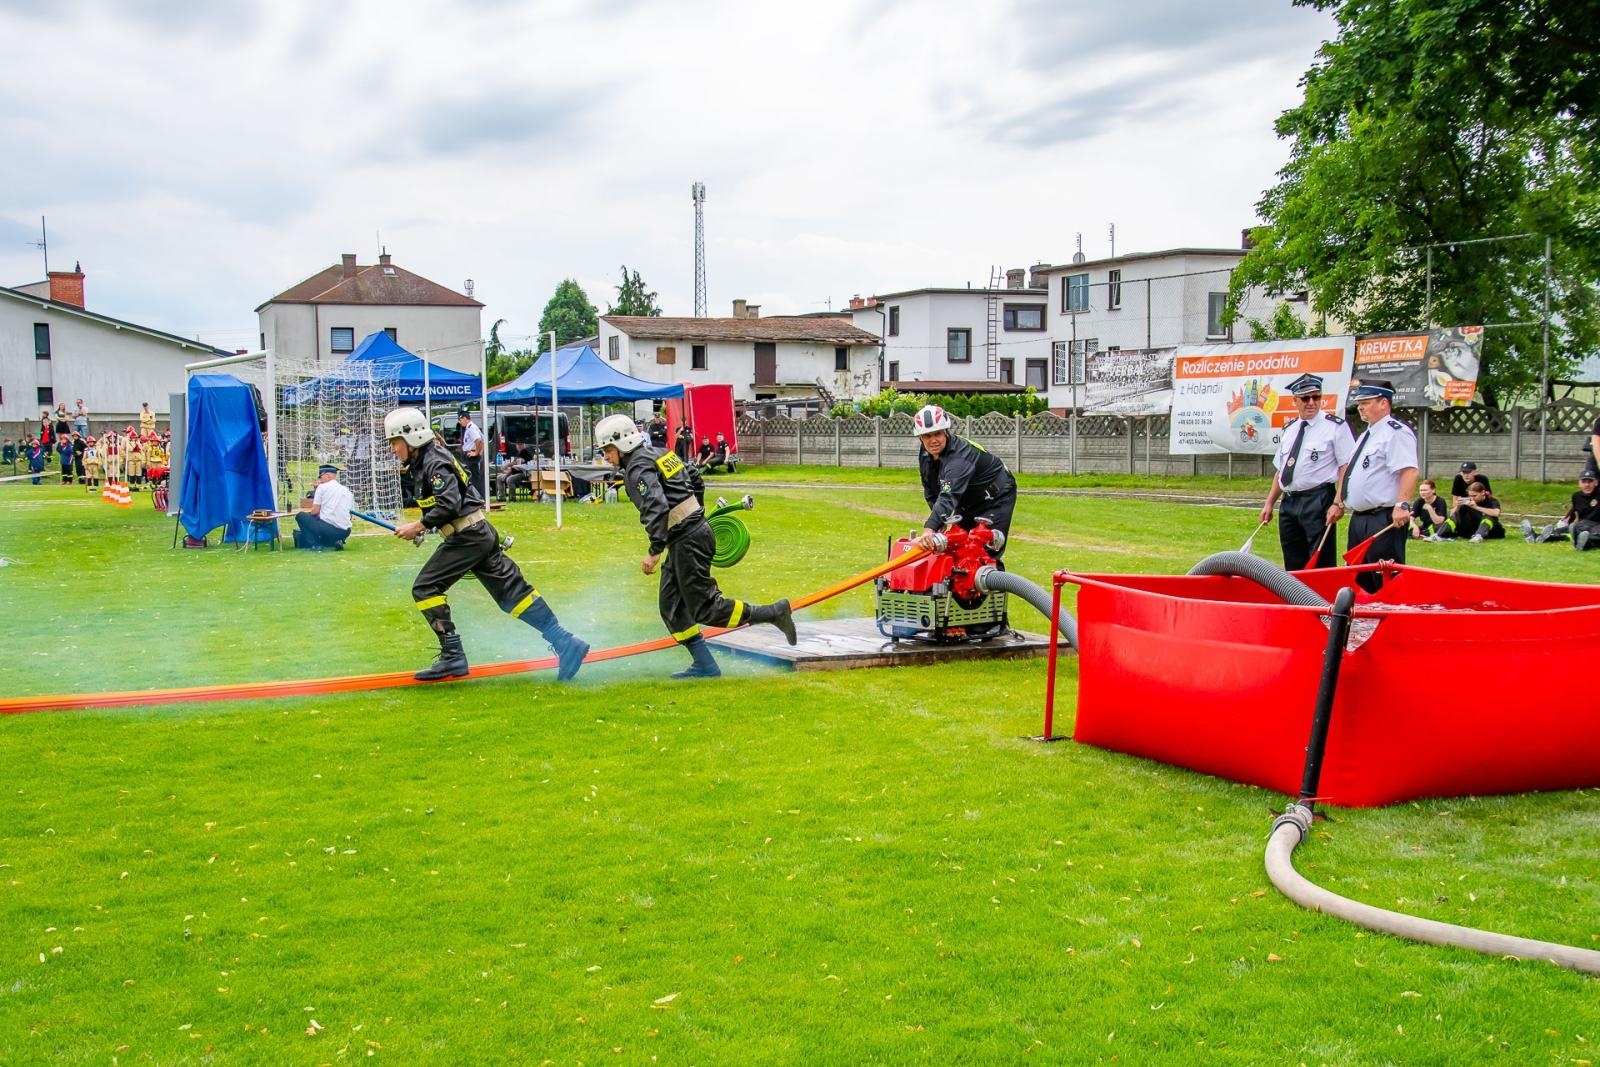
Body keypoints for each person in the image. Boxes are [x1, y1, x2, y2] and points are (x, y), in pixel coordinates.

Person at [385, 406, 589, 682]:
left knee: (425, 588)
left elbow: (449, 503)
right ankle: (565, 642)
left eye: (394, 442)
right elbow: (451, 504)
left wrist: (419, 525)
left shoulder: (433, 462)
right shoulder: (431, 458)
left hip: (468, 538)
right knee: (515, 596)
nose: (393, 449)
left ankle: (452, 656)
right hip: (477, 533)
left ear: (412, 438)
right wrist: (426, 527)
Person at [594, 413, 795, 680]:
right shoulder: (661, 452)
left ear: (623, 444)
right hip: (691, 533)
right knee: (672, 606)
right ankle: (705, 665)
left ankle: (773, 612)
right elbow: (694, 476)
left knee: (705, 608)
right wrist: (696, 512)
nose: (606, 456)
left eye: (608, 450)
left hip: (686, 539)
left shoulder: (638, 468)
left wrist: (654, 551)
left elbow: (656, 506)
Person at [1258, 373, 1353, 570]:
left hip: (1318, 499)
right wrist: (1269, 503)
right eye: (1305, 398)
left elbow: (1346, 466)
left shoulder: (1335, 427)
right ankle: (1296, 599)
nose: (1311, 403)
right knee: (1293, 561)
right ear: (1295, 401)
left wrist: (1338, 502)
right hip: (1289, 501)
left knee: (1320, 561)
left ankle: (1320, 600)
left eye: (1316, 397)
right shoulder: (1290, 429)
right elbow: (1281, 470)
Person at [1335, 379, 1418, 593]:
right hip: (1360, 518)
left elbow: (1409, 470)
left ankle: (1391, 618)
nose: (1361, 407)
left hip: (1382, 517)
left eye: (1366, 402)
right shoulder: (1367, 435)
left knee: (1384, 577)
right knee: (1359, 577)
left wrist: (1402, 504)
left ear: (1383, 403)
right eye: (1360, 403)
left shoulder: (1395, 432)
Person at [910, 404, 1017, 562]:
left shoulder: (958, 459)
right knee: (955, 547)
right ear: (920, 438)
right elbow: (931, 489)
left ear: (946, 432)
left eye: (937, 434)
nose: (933, 440)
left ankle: (994, 583)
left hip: (996, 497)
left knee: (983, 553)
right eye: (927, 436)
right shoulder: (926, 453)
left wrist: (929, 528)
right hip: (966, 499)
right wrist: (940, 522)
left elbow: (948, 495)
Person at [1523, 471, 1600, 550]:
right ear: (1579, 484)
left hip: (1596, 526)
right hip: (1581, 525)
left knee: (1593, 534)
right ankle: (1535, 537)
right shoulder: (1576, 496)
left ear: (1596, 483)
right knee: (1562, 531)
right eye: (1584, 482)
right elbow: (1574, 511)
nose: (1587, 485)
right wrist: (1566, 522)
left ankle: (1583, 543)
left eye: (1590, 482)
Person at [294, 464, 354, 550]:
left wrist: (311, 514)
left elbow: (315, 511)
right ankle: (336, 541)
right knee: (324, 525)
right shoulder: (346, 490)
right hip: (346, 531)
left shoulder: (322, 488)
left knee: (301, 516)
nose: (320, 480)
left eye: (321, 477)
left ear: (327, 476)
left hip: (328, 529)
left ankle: (315, 544)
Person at [1439, 481, 1504, 542]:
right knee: (1456, 515)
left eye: (1474, 496)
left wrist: (1476, 507)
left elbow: (1496, 513)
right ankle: (1438, 535)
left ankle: (1478, 536)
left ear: (1482, 492)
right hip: (1470, 529)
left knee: (1489, 516)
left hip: (1490, 531)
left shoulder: (1491, 501)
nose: (1472, 498)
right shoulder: (1467, 501)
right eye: (1470, 496)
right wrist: (1458, 506)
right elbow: (1452, 515)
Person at [457, 410, 485, 491]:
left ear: (465, 418)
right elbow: (482, 441)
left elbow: (478, 440)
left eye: (460, 419)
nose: (460, 422)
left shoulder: (471, 427)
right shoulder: (471, 427)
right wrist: (480, 452)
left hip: (471, 456)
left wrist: (476, 453)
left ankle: (479, 497)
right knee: (474, 478)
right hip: (471, 455)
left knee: (474, 478)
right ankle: (478, 497)